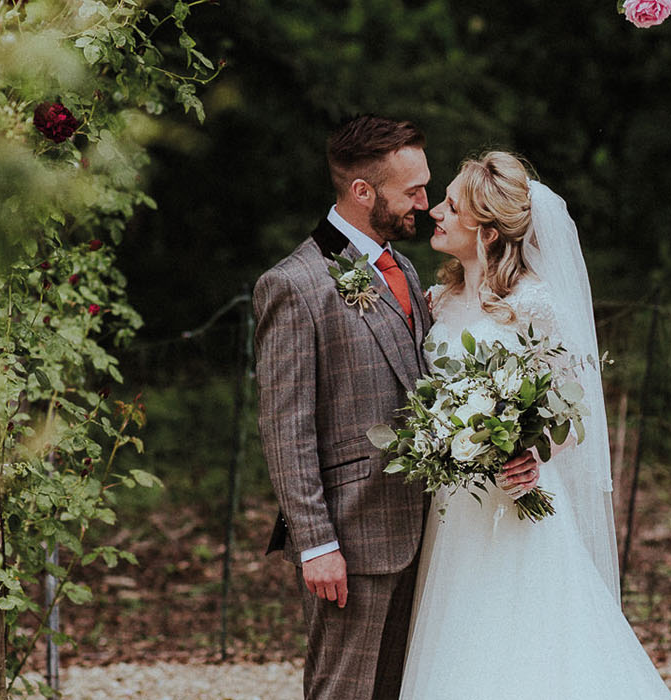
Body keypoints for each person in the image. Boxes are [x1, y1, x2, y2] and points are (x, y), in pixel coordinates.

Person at [253, 116, 541, 700]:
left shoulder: (406, 270)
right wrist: (316, 543)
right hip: (352, 540)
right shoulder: (294, 285)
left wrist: (517, 446)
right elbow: (286, 429)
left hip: (430, 534)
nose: (426, 203)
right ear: (363, 192)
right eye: (413, 190)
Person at [398, 151, 671, 699]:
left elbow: (575, 408)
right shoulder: (437, 301)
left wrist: (534, 452)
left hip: (516, 500)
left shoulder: (534, 304)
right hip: (455, 509)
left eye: (452, 206)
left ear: (488, 232)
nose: (435, 212)